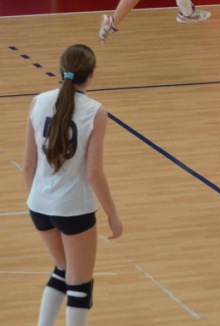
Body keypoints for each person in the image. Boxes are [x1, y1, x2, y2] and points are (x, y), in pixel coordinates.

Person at [23, 44, 122, 325]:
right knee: (80, 285)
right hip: (73, 209)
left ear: (60, 70)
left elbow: (28, 165)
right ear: (91, 74)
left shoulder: (38, 101)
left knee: (63, 269)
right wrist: (113, 216)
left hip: (39, 206)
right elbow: (94, 172)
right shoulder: (96, 112)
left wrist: (40, 201)